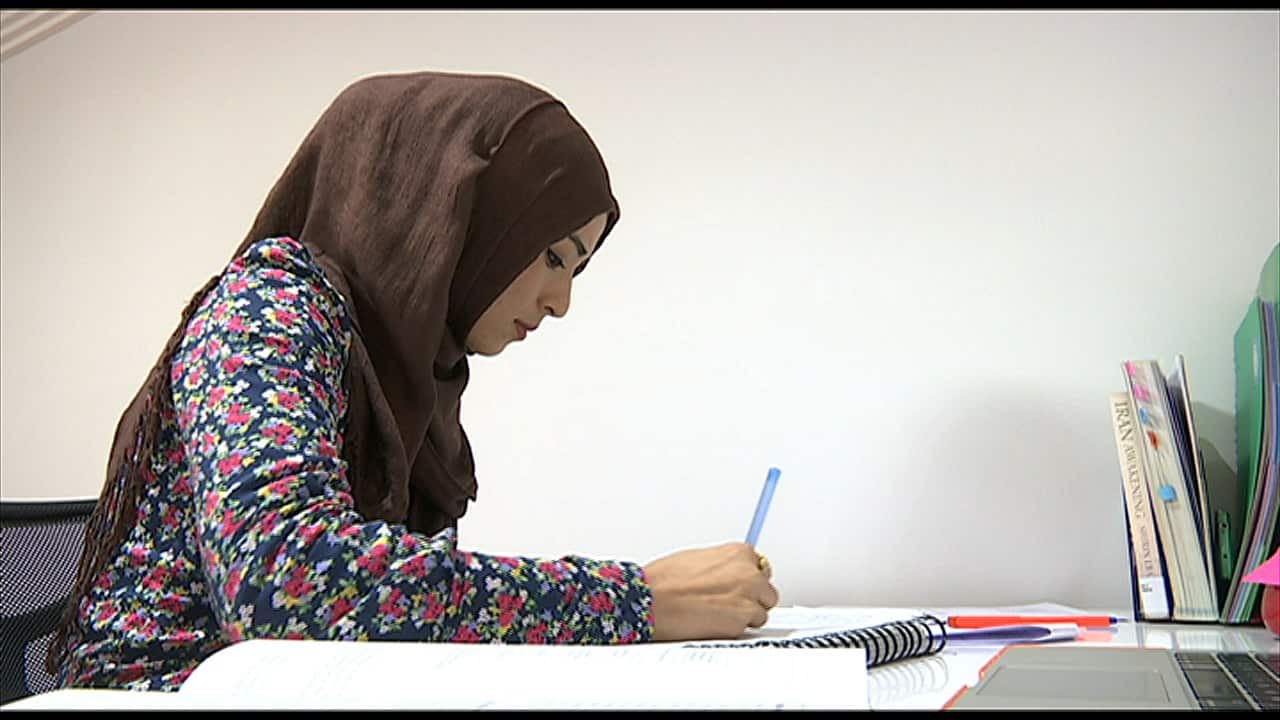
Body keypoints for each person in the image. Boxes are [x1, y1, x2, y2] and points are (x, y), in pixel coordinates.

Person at [50, 70, 780, 692]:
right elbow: (287, 588)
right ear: (463, 215)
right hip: (164, 694)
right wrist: (640, 600)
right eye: (554, 257)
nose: (561, 302)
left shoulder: (403, 372)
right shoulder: (269, 309)